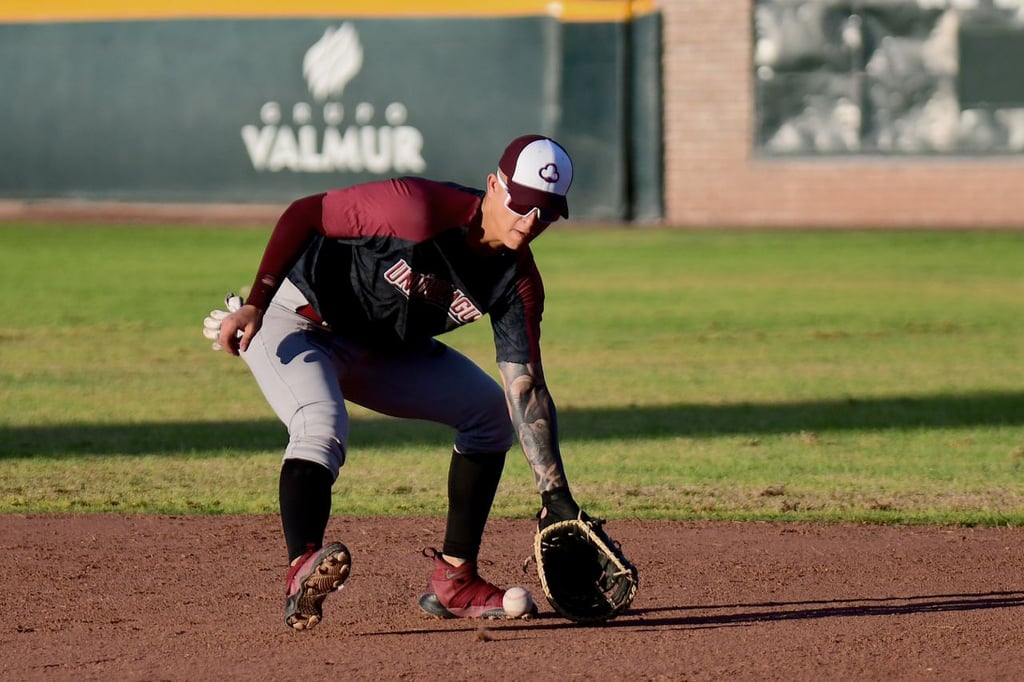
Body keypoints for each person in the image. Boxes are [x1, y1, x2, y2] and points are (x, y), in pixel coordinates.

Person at [206, 134, 591, 630]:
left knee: (489, 413)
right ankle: (303, 564)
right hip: (298, 319)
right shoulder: (417, 209)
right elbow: (305, 212)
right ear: (494, 185)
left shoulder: (516, 282)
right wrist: (257, 299)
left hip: (383, 350)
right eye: (522, 203)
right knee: (320, 423)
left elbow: (526, 389)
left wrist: (554, 494)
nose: (530, 221)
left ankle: (455, 581)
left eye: (546, 211)